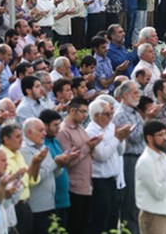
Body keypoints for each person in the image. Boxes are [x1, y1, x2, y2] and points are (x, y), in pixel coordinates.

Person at [57, 98, 103, 234]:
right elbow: (68, 162)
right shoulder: (63, 132)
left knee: (84, 226)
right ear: (72, 111)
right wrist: (87, 147)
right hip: (73, 187)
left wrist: (92, 146)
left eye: (86, 112)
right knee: (74, 226)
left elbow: (88, 151)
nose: (85, 115)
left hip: (86, 185)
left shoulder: (81, 128)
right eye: (82, 112)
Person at [85, 98, 131, 234]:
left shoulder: (111, 127)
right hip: (99, 181)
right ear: (96, 115)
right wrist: (117, 138)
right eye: (107, 114)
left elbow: (120, 152)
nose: (111, 117)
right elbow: (101, 156)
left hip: (112, 180)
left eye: (111, 113)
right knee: (101, 219)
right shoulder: (91, 131)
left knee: (113, 218)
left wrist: (122, 138)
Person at [113, 81, 145, 234]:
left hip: (140, 158)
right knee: (130, 202)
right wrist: (147, 120)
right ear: (126, 95)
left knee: (139, 201)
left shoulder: (135, 113)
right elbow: (135, 137)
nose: (138, 96)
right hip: (129, 159)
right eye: (135, 93)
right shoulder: (121, 115)